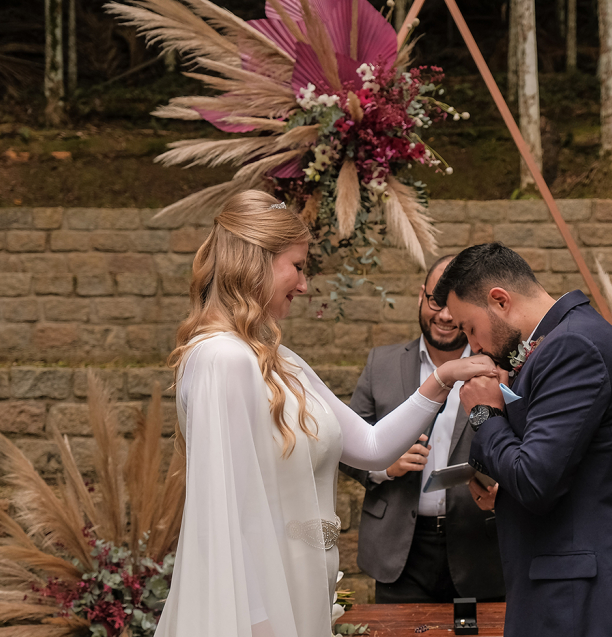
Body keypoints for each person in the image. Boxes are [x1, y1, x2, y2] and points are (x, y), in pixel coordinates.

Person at [158, 191, 496, 637]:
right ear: (255, 262)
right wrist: (259, 625)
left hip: (302, 596)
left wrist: (443, 377)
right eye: (297, 267)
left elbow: (373, 448)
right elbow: (227, 520)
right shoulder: (221, 359)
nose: (304, 285)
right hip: (256, 613)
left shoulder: (283, 361)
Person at [432, 242, 612, 637]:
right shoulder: (552, 344)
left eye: (469, 328)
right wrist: (501, 486)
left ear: (499, 301)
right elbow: (561, 467)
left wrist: (484, 413)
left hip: (591, 601)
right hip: (574, 591)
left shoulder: (572, 346)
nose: (474, 346)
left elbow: (535, 481)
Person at [340, 255, 506, 604]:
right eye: (435, 301)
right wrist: (384, 466)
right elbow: (342, 445)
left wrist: (502, 491)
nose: (444, 315)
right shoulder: (380, 363)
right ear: (421, 296)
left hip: (480, 549)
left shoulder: (496, 367)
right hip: (398, 551)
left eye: (452, 306)